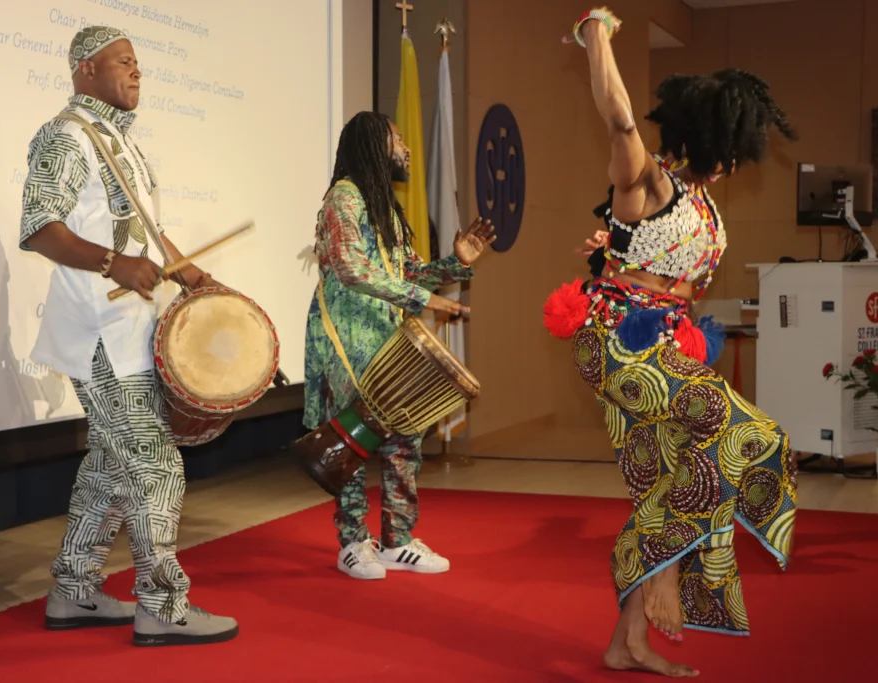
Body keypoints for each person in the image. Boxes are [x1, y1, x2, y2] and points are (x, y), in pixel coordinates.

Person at [544, 8, 799, 678]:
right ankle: (658, 581)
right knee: (742, 430)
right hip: (619, 343)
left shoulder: (705, 203)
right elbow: (621, 116)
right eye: (737, 144)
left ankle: (625, 642)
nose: (741, 158)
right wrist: (595, 34)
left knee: (669, 480)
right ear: (714, 138)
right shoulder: (647, 178)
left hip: (660, 344)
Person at [20, 26, 236, 647]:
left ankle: (74, 590)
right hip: (98, 331)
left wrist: (190, 273)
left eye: (139, 64)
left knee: (112, 467)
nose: (137, 72)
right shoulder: (66, 136)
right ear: (86, 70)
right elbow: (39, 228)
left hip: (128, 330)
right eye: (123, 63)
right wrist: (114, 264)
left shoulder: (120, 142)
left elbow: (147, 231)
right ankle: (162, 607)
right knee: (155, 465)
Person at [304, 111, 494, 580]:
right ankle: (352, 543)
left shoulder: (384, 206)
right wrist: (423, 298)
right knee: (352, 440)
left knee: (404, 438)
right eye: (399, 139)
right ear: (373, 145)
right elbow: (352, 269)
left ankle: (398, 540)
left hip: (388, 341)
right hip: (346, 341)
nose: (406, 148)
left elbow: (406, 273)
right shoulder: (342, 200)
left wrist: (455, 264)